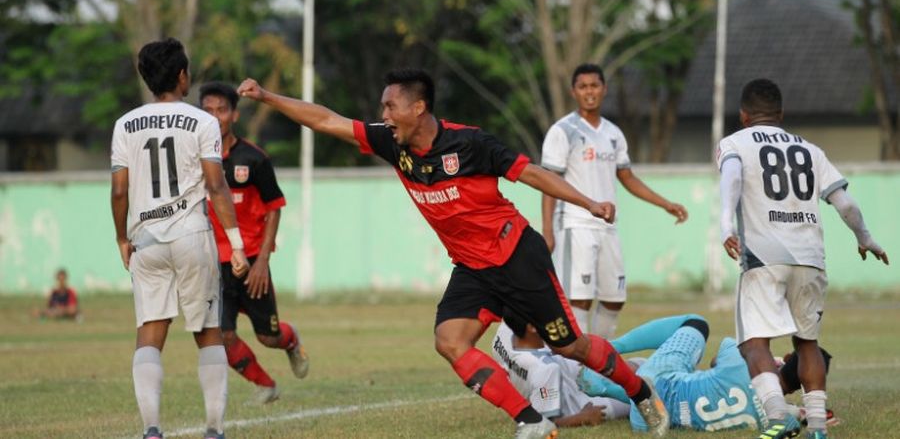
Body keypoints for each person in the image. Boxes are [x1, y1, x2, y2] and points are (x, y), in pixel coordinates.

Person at [236, 68, 671, 439]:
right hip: (472, 268)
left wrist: (589, 203)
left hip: (517, 255)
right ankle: (531, 420)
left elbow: (532, 173)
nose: (383, 117)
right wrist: (268, 97)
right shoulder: (392, 143)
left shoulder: (471, 144)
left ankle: (640, 393)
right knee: (450, 341)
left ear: (418, 108)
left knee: (570, 345)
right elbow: (326, 121)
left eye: (390, 107)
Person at [717, 78, 889, 439]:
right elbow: (846, 204)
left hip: (764, 256)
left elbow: (731, 177)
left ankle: (778, 416)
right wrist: (866, 238)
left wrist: (723, 225)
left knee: (753, 343)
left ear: (743, 115)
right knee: (806, 343)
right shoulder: (810, 149)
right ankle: (816, 428)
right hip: (810, 257)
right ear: (781, 114)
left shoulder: (734, 143)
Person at [110, 38, 250, 439]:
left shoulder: (125, 124)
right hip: (191, 237)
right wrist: (237, 244)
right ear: (182, 75)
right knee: (207, 332)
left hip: (146, 241)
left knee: (150, 334)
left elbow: (119, 191)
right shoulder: (202, 122)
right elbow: (215, 185)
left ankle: (152, 429)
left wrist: (121, 238)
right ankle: (213, 428)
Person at [540, 63, 688, 339]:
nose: (589, 92)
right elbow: (549, 183)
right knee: (579, 299)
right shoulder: (562, 131)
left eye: (594, 85)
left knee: (614, 298)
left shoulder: (613, 134)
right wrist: (548, 230)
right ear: (574, 92)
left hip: (607, 227)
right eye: (583, 87)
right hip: (575, 225)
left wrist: (665, 203)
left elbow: (628, 178)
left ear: (604, 89)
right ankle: (579, 369)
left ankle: (599, 357)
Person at [199, 82, 310, 405]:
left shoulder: (254, 158)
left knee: (268, 337)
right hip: (213, 264)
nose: (214, 117)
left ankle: (290, 341)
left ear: (234, 114)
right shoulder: (193, 159)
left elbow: (274, 207)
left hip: (249, 261)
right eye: (207, 111)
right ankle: (266, 385)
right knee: (222, 335)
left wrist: (262, 261)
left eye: (221, 110)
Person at [576, 314, 836, 434]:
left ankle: (607, 347)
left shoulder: (744, 362)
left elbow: (715, 360)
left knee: (696, 324)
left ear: (789, 358)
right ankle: (608, 388)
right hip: (647, 424)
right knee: (677, 380)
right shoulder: (780, 415)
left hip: (656, 385)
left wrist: (769, 360)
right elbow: (796, 414)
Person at [491, 309, 632, 428]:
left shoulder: (505, 331)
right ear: (532, 327)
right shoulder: (545, 369)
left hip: (569, 372)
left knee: (634, 367)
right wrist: (584, 417)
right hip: (578, 404)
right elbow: (543, 423)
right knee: (636, 398)